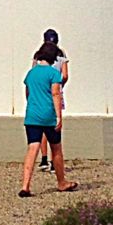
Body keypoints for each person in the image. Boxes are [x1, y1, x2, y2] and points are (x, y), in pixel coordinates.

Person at [19, 41, 78, 197]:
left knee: (32, 148)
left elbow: (28, 94)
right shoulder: (53, 74)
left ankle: (25, 185)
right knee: (56, 148)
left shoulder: (30, 73)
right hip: (48, 115)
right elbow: (55, 94)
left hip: (32, 115)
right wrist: (59, 115)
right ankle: (61, 182)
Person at [34, 29, 69, 171]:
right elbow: (65, 75)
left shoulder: (39, 54)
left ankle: (43, 159)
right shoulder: (61, 54)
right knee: (55, 126)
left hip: (41, 93)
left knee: (42, 128)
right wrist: (59, 86)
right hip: (56, 93)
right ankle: (55, 162)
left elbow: (34, 73)